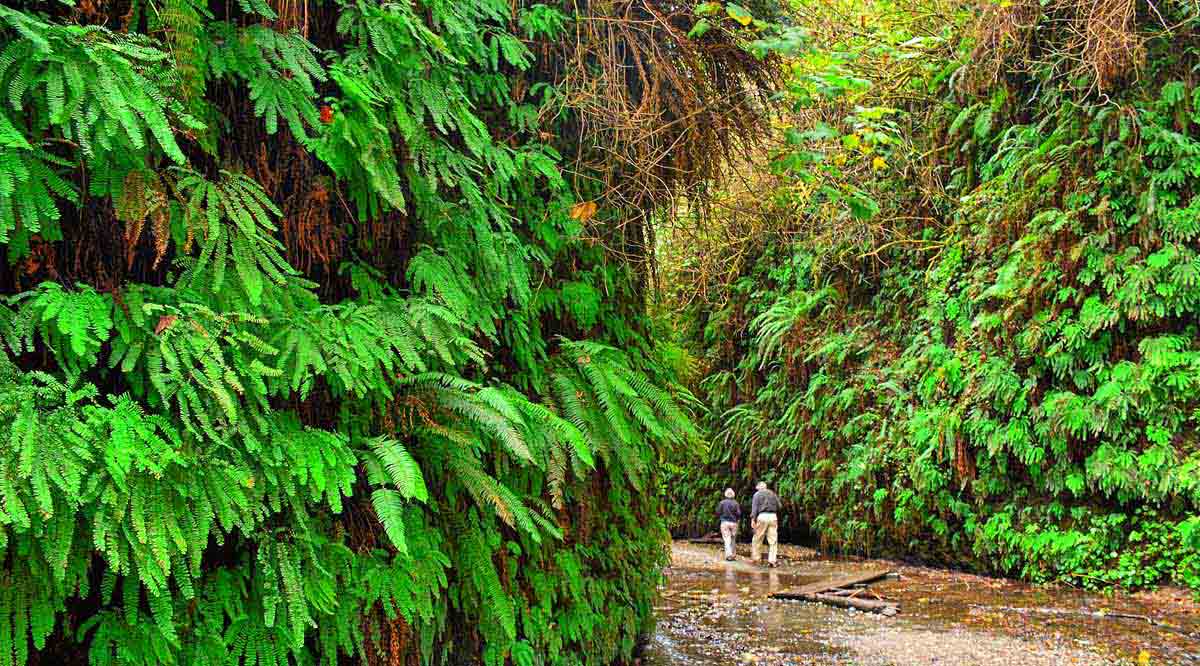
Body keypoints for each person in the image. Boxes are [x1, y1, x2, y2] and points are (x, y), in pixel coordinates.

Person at [750, 481, 781, 567]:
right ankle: (772, 560)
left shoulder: (757, 495)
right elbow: (779, 506)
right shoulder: (772, 494)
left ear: (759, 487)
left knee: (757, 538)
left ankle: (756, 559)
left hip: (762, 516)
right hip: (773, 517)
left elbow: (754, 508)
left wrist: (753, 519)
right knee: (773, 540)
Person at [716, 488, 741, 561]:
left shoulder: (722, 503)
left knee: (727, 538)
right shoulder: (736, 503)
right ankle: (733, 555)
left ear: (725, 494)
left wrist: (721, 516)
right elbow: (739, 513)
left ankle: (729, 555)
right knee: (733, 538)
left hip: (725, 522)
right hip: (734, 523)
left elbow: (718, 512)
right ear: (733, 495)